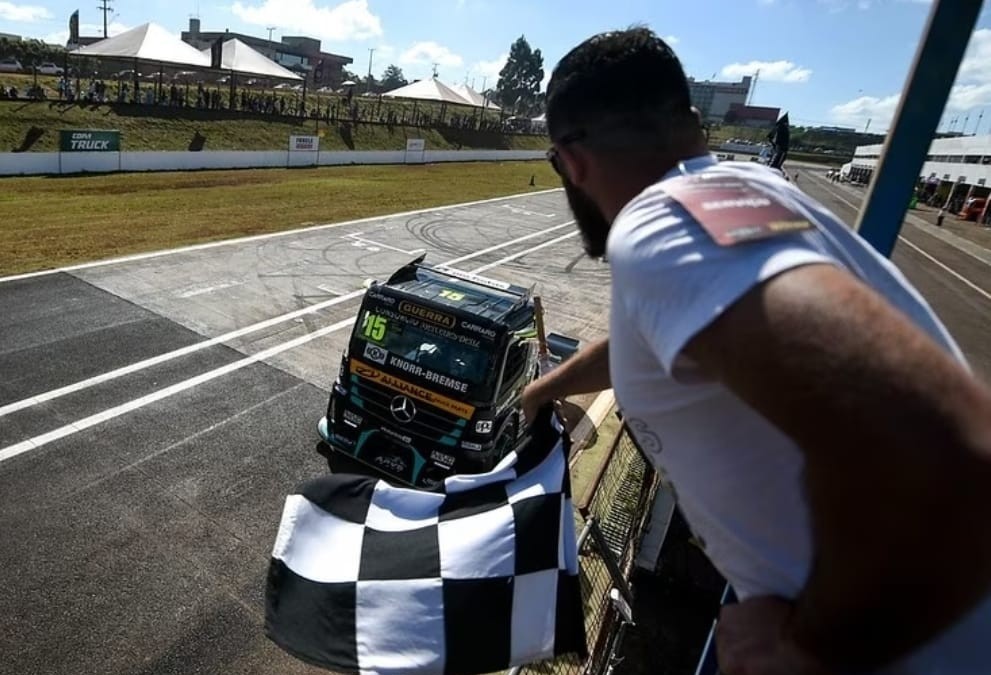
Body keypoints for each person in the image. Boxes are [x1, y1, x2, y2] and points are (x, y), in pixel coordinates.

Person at [523, 27, 991, 675]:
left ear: (570, 162)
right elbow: (657, 342)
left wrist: (805, 650)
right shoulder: (741, 192)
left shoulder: (662, 223)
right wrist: (541, 391)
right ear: (693, 126)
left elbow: (948, 450)